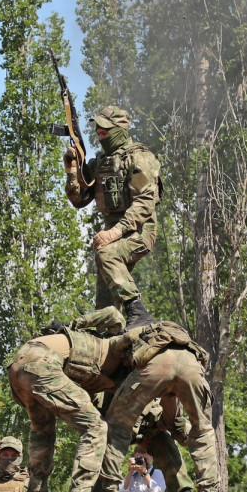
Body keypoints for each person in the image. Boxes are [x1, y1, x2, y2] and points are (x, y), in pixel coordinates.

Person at [6, 308, 133, 492]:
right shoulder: (113, 341)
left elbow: (84, 400)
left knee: (42, 430)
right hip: (43, 362)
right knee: (95, 426)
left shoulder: (91, 364)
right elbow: (113, 313)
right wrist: (78, 323)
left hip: (19, 364)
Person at [95, 321, 220, 492]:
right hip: (189, 368)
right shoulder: (162, 339)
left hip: (151, 414)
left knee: (118, 434)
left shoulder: (130, 352)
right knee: (202, 432)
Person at [64, 104, 161, 326]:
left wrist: (114, 232)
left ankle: (138, 312)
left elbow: (145, 204)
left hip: (138, 232)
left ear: (120, 129)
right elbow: (79, 200)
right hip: (114, 235)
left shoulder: (139, 158)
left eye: (105, 131)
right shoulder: (99, 163)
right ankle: (109, 331)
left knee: (106, 253)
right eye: (98, 132)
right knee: (105, 305)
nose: (100, 136)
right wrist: (71, 171)